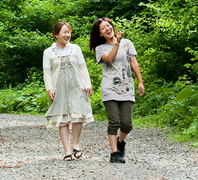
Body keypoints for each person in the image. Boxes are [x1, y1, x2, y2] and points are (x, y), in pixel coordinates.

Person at [89, 17, 145, 164]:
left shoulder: (127, 43)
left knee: (127, 124)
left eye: (108, 25)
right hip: (110, 89)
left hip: (126, 88)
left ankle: (121, 143)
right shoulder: (100, 48)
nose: (107, 29)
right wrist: (116, 43)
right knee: (114, 121)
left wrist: (140, 81)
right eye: (103, 28)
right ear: (100, 34)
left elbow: (134, 62)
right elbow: (110, 59)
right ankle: (114, 154)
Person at [43, 21, 94, 161]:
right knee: (63, 119)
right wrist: (49, 88)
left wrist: (87, 84)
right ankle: (67, 151)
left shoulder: (75, 49)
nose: (67, 35)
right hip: (59, 87)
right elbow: (47, 72)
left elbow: (83, 67)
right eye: (64, 32)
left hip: (77, 86)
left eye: (69, 32)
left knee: (77, 116)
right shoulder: (48, 52)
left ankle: (76, 145)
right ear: (56, 34)